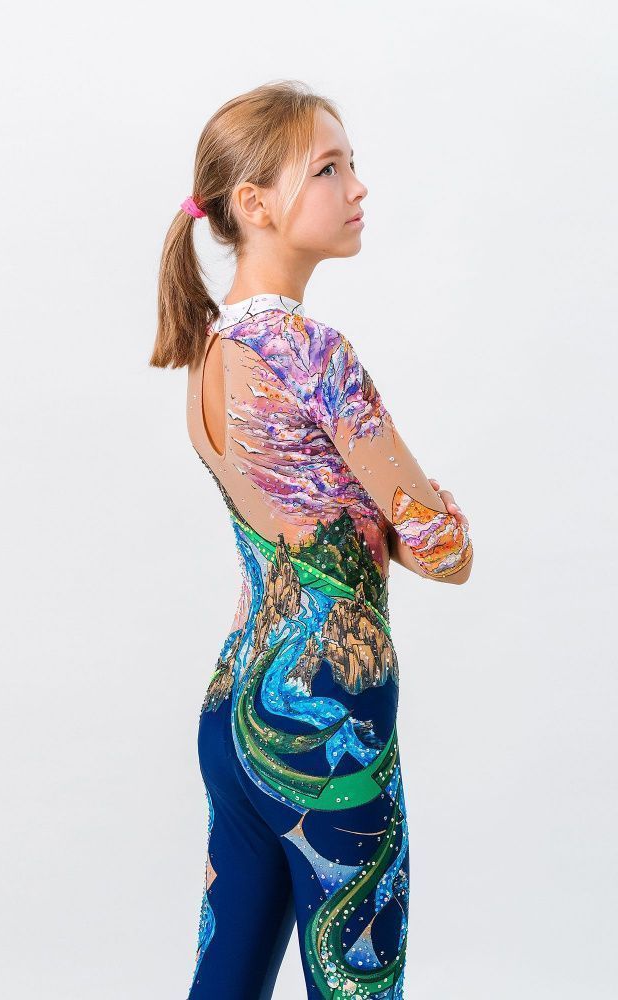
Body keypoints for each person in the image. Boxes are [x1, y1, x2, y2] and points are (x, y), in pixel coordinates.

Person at [150, 80, 474, 1000]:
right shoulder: (312, 354)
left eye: (352, 164)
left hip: (235, 709)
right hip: (328, 723)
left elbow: (324, 512)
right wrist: (419, 520)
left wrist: (380, 519)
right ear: (254, 204)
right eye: (329, 169)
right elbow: (444, 548)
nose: (357, 187)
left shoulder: (208, 353)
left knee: (224, 982)